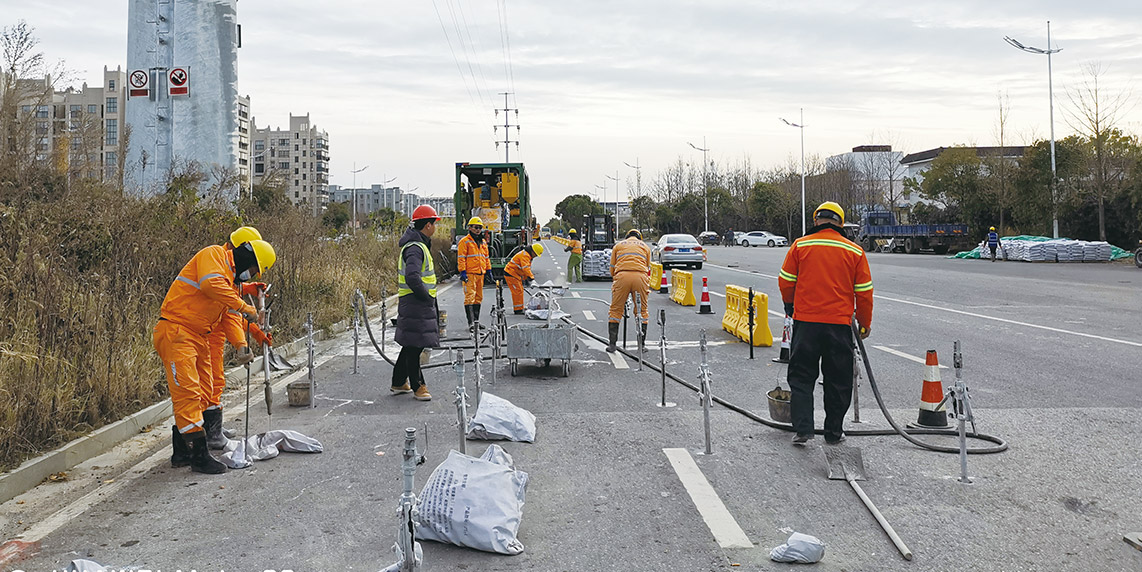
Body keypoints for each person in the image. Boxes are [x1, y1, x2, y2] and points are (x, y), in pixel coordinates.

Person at [154, 238, 276, 474]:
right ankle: (199, 456)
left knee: (203, 390)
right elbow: (211, 285)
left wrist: (242, 345)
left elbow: (229, 316)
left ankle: (181, 452)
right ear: (248, 258)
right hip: (177, 331)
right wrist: (245, 307)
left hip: (197, 335)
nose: (249, 276)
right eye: (252, 270)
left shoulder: (229, 280)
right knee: (188, 392)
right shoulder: (214, 256)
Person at [778, 201, 873, 446]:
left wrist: (790, 306)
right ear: (841, 223)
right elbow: (864, 292)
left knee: (801, 377)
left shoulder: (800, 245)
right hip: (839, 326)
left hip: (806, 323)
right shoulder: (854, 251)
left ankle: (803, 429)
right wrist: (864, 323)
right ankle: (833, 432)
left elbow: (786, 281)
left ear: (816, 221)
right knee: (838, 380)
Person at [202, 226, 274, 449]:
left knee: (215, 380)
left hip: (214, 330)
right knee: (210, 381)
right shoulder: (219, 265)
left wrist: (250, 287)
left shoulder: (230, 270)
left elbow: (233, 308)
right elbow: (232, 313)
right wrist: (251, 335)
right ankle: (208, 432)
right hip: (208, 332)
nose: (249, 272)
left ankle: (212, 426)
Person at [391, 205, 442, 401]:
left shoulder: (417, 245)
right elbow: (413, 277)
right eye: (434, 223)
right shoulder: (415, 248)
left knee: (411, 343)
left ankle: (398, 382)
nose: (435, 227)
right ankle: (418, 385)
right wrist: (426, 297)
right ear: (427, 225)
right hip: (416, 301)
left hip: (415, 301)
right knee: (415, 345)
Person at [607, 229, 651, 352]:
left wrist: (616, 279)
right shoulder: (645, 247)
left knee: (616, 310)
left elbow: (612, 267)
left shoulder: (618, 246)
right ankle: (641, 345)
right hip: (640, 277)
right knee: (642, 311)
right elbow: (648, 267)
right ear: (639, 237)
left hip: (622, 276)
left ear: (627, 236)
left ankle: (612, 344)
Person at [457, 216, 491, 331]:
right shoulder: (464, 242)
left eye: (479, 228)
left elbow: (486, 257)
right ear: (470, 228)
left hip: (480, 273)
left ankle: (476, 322)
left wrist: (489, 270)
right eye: (476, 227)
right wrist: (462, 272)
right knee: (469, 297)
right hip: (470, 274)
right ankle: (471, 323)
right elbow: (461, 258)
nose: (478, 230)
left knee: (478, 298)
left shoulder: (482, 242)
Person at [504, 243, 543, 314]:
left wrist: (526, 279)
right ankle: (518, 309)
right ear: (533, 252)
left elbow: (523, 269)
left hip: (515, 274)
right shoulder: (525, 256)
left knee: (520, 290)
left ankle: (520, 307)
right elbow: (525, 268)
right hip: (511, 273)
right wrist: (531, 278)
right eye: (536, 254)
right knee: (517, 291)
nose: (536, 256)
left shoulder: (527, 255)